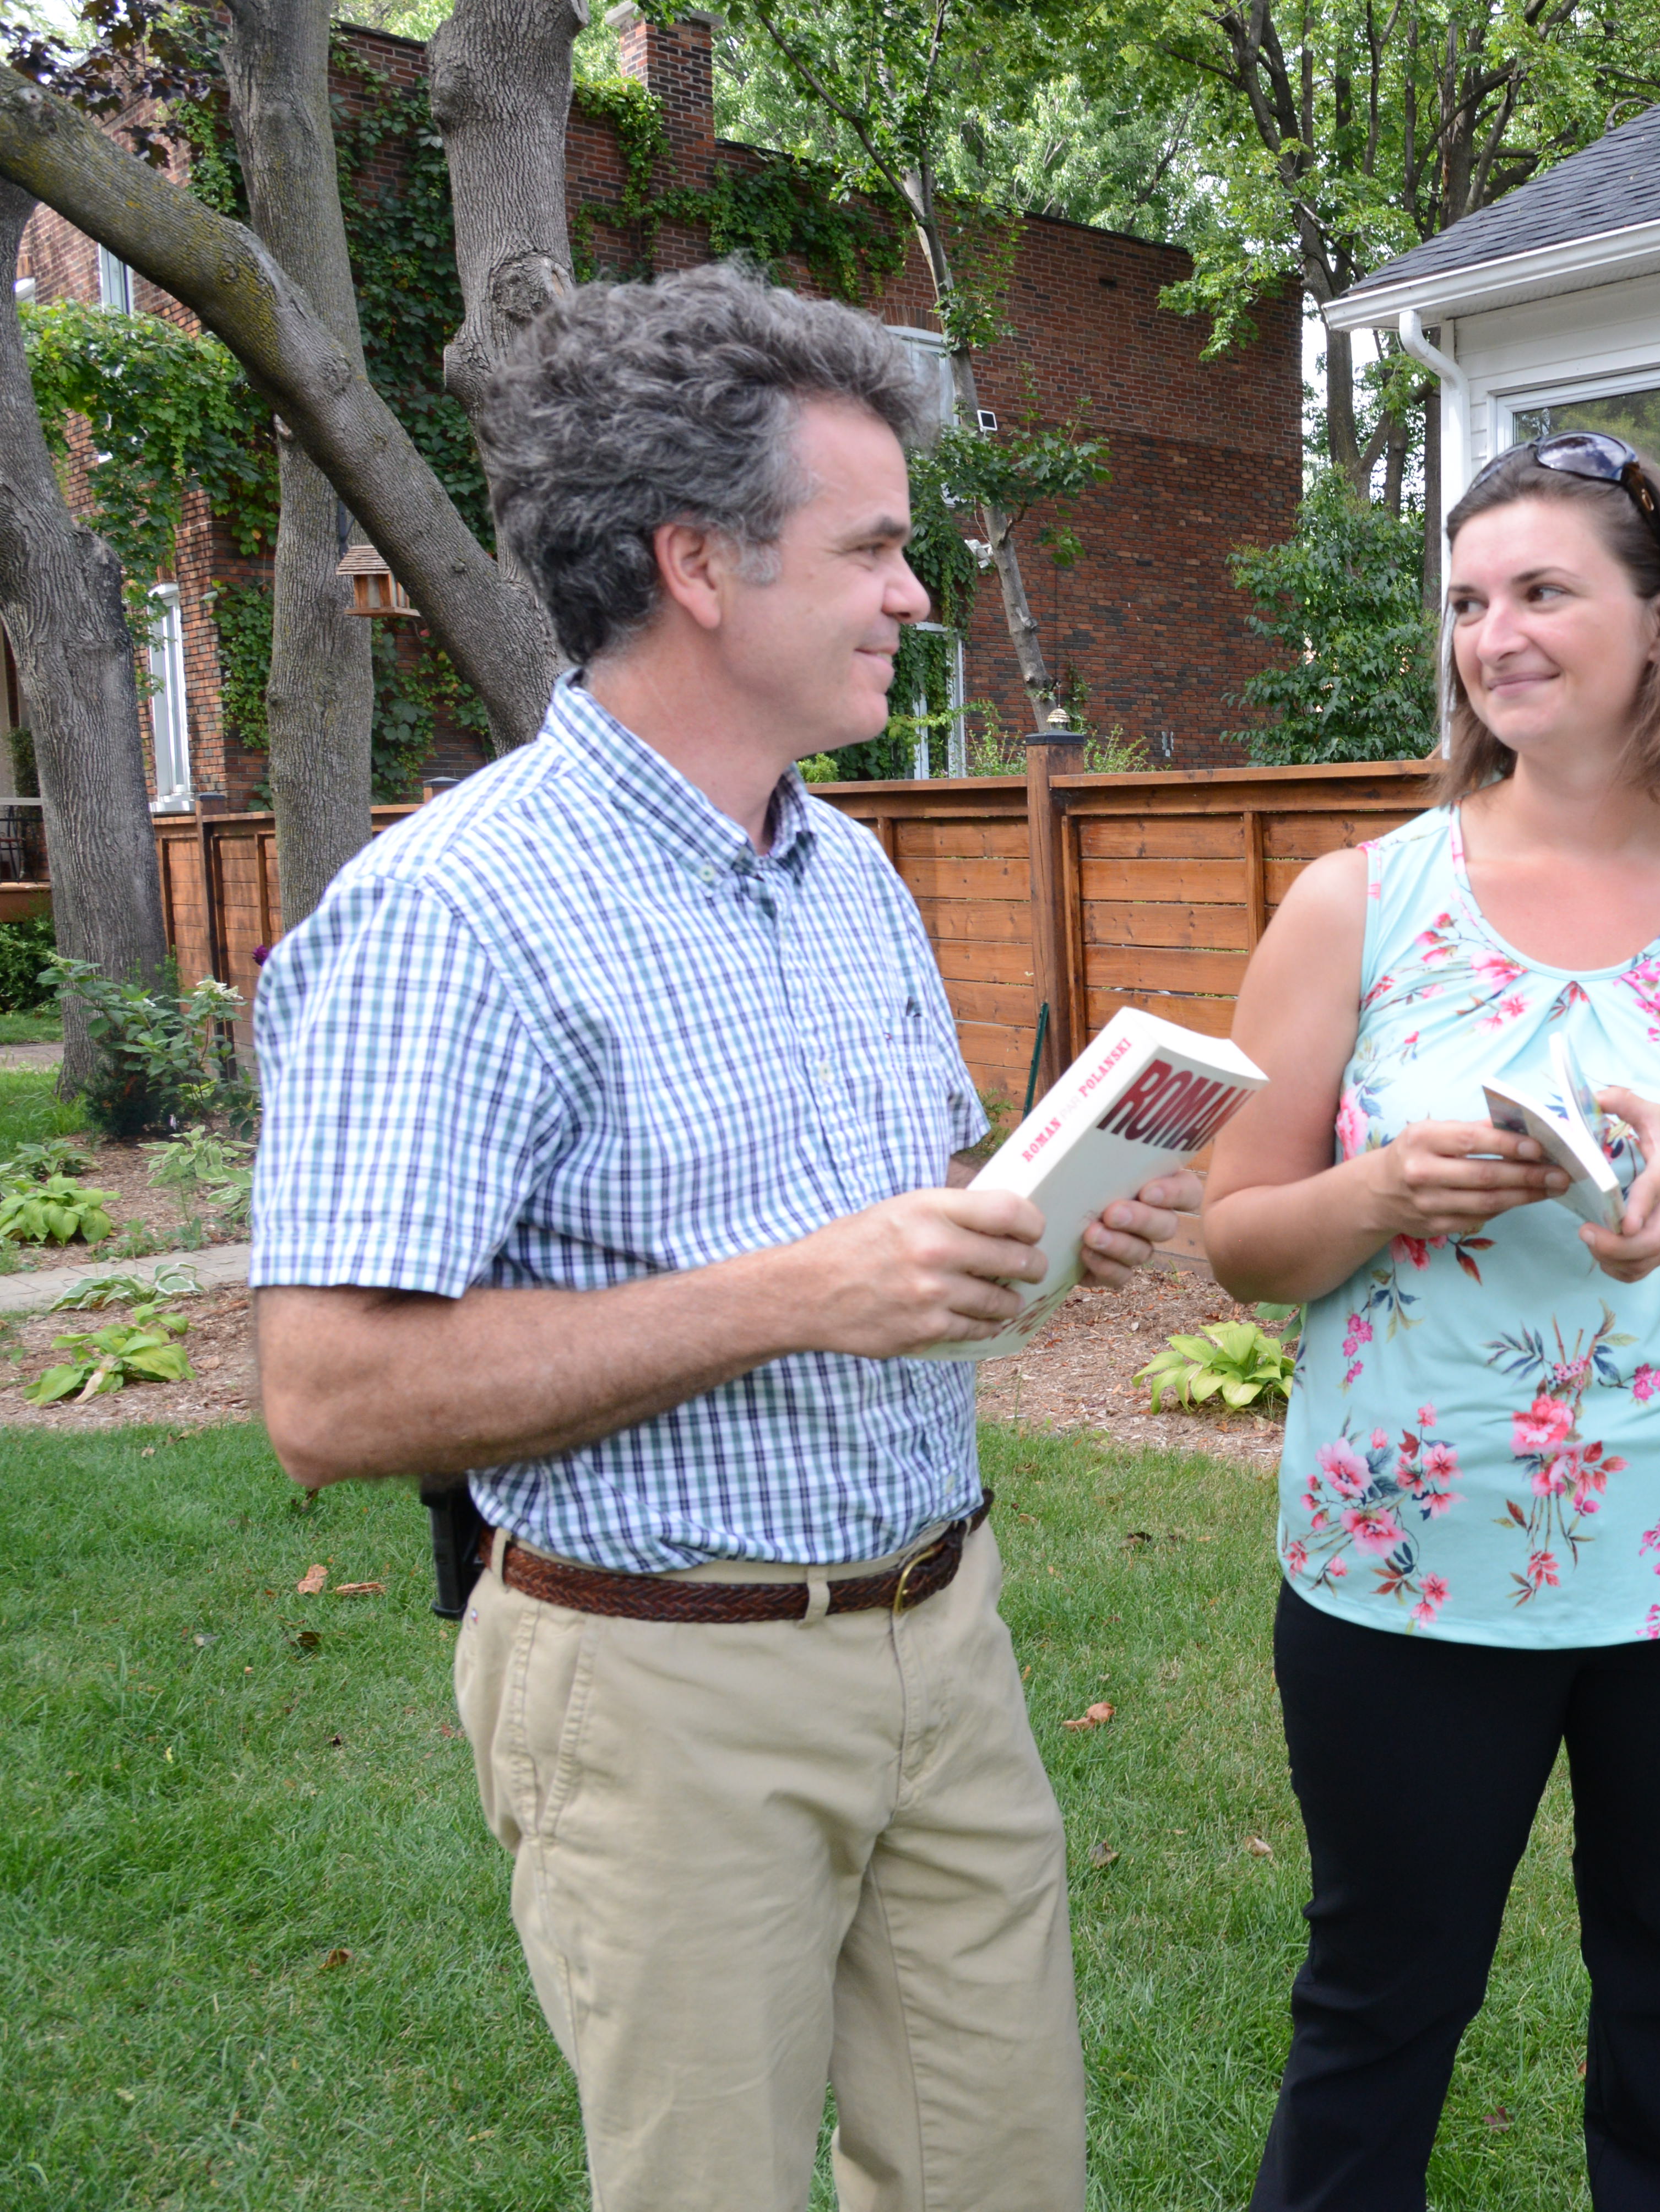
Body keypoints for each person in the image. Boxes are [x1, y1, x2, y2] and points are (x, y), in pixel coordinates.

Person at [248, 263, 1192, 2212]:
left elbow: (884, 1235)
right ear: (697, 562)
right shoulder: (456, 913)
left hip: (945, 1639)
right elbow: (329, 1396)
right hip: (663, 1688)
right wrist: (797, 1295)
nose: (913, 595)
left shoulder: (845, 870)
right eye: (873, 549)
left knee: (1009, 2180)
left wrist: (1038, 1216)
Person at [1203, 431, 1660, 2212]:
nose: (1493, 634)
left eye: (1542, 591)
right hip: (1406, 1563)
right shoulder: (1355, 900)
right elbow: (1241, 1241)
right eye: (1468, 602)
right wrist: (1383, 1196)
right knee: (1379, 1998)